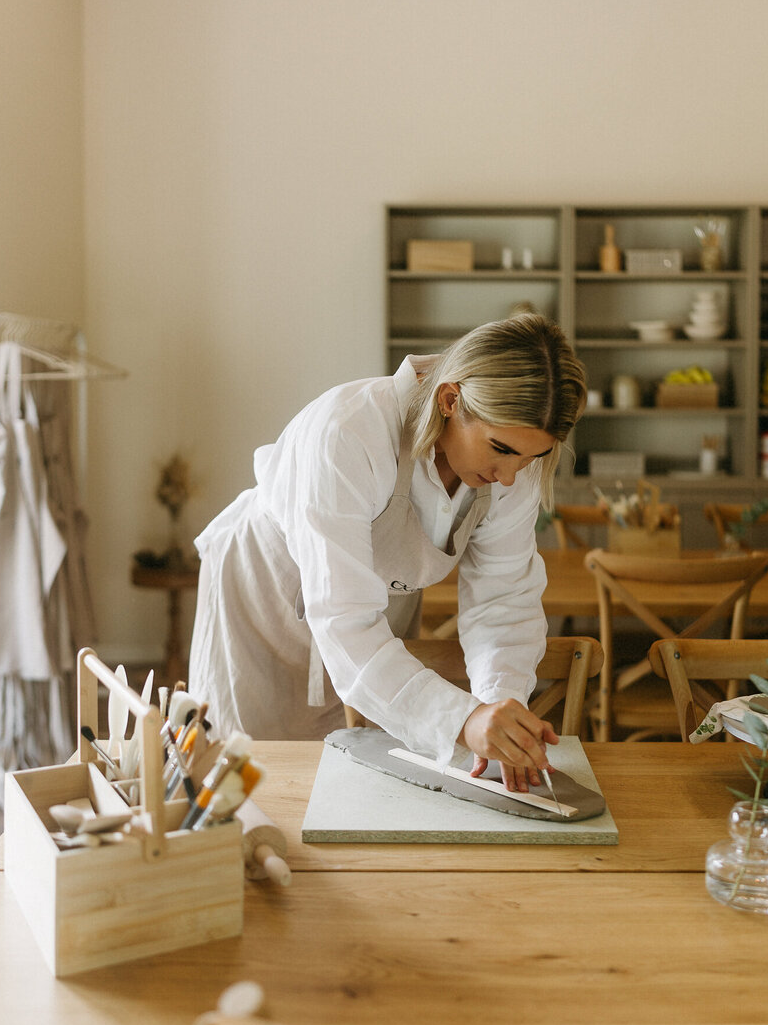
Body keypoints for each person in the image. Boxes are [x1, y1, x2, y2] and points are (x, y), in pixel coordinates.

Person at [188, 313, 586, 792]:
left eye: (532, 458)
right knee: (251, 780)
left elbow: (504, 601)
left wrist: (498, 707)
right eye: (501, 450)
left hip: (377, 598)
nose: (509, 477)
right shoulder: (348, 433)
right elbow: (344, 621)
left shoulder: (512, 468)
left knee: (371, 779)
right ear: (450, 399)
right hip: (263, 597)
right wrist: (462, 720)